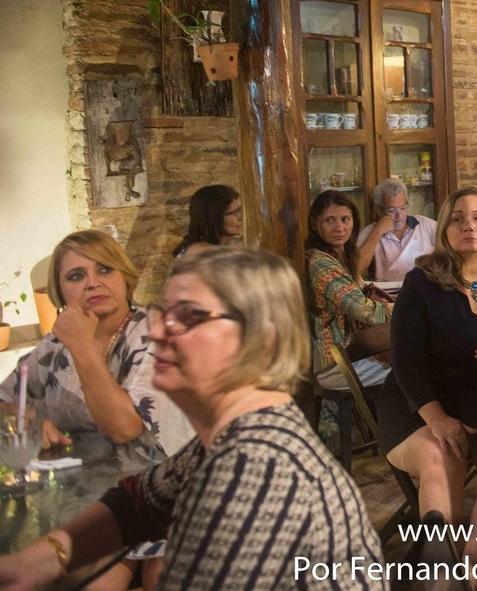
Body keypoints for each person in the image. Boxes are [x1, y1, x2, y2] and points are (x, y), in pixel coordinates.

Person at [0, 248, 386, 591]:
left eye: (189, 315)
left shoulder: (260, 475)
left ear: (259, 339)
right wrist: (31, 563)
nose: (160, 328)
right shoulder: (240, 433)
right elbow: (137, 502)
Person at [0, 230, 191, 590]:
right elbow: (6, 395)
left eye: (105, 270)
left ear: (125, 277)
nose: (93, 283)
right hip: (91, 499)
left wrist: (84, 349)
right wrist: (21, 414)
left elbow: (124, 428)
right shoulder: (56, 345)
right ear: (60, 293)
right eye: (76, 276)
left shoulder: (156, 334)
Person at [379, 186, 477, 569]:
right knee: (442, 454)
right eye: (457, 219)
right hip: (420, 403)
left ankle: (470, 571)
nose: (468, 226)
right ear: (444, 230)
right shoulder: (421, 282)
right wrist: (439, 420)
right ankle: (441, 575)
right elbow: (405, 362)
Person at [306, 190, 392, 391]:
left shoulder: (342, 258)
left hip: (356, 354)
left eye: (346, 219)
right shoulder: (319, 263)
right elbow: (366, 311)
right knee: (414, 369)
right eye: (329, 220)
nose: (339, 227)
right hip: (336, 363)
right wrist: (405, 309)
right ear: (314, 223)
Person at [355, 178, 438, 281]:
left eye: (403, 208)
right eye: (391, 210)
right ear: (379, 209)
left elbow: (451, 251)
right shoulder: (370, 232)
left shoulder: (425, 225)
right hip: (388, 293)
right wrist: (378, 231)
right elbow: (356, 269)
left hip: (425, 288)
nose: (399, 216)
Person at [173, 185, 242, 257]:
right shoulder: (207, 253)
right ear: (214, 218)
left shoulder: (203, 247)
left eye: (238, 210)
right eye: (232, 213)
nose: (240, 217)